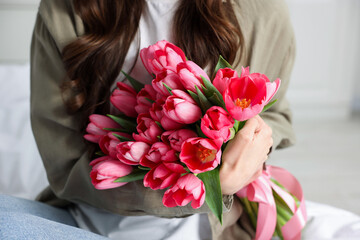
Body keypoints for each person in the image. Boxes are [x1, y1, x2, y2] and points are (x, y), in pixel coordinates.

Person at [1, 0, 296, 239]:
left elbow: (274, 114)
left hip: (205, 227)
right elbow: (63, 165)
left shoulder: (262, 10)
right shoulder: (65, 9)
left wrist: (248, 151)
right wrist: (213, 186)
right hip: (83, 216)